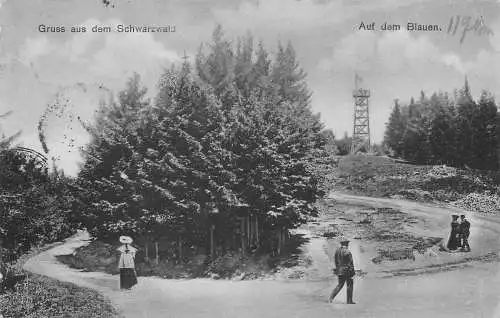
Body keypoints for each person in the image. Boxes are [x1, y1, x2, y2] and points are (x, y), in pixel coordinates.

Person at [328, 237, 355, 304]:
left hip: (340, 271)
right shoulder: (347, 251)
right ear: (346, 244)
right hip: (347, 271)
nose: (348, 245)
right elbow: (350, 263)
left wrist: (338, 269)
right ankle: (349, 301)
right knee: (350, 285)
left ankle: (330, 298)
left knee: (340, 285)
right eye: (348, 243)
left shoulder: (337, 251)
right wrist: (353, 272)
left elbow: (336, 262)